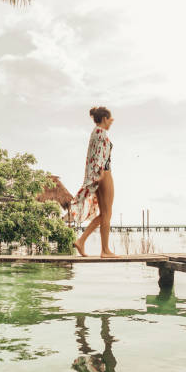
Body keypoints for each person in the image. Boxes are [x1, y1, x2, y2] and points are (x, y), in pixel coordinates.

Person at [72, 106, 117, 258]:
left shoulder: (95, 133)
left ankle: (81, 241)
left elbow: (94, 155)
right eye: (110, 118)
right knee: (107, 213)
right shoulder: (101, 132)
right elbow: (100, 155)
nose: (112, 121)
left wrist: (95, 174)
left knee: (104, 214)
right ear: (104, 118)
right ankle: (105, 250)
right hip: (104, 173)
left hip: (97, 174)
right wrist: (101, 173)